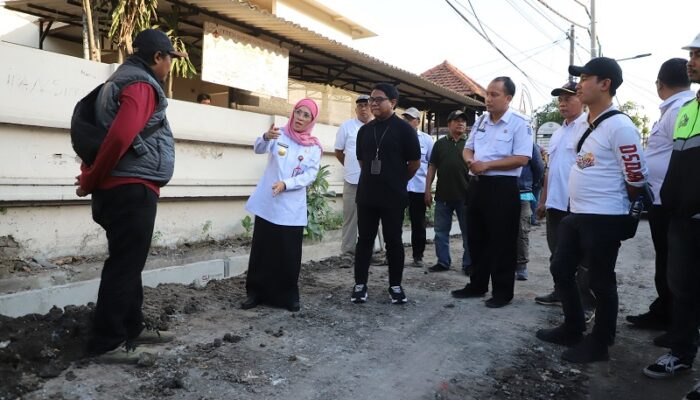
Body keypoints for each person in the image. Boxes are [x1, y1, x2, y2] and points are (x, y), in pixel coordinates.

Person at [75, 29, 183, 362]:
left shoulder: (121, 80)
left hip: (123, 188)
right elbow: (120, 138)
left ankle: (131, 327)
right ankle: (106, 342)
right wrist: (91, 178)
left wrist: (94, 178)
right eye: (169, 59)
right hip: (130, 188)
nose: (169, 66)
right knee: (124, 264)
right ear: (157, 58)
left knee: (129, 261)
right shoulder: (141, 84)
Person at [536, 57, 648, 363]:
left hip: (605, 216)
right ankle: (573, 327)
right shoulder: (584, 123)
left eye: (586, 78)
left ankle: (600, 343)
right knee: (561, 267)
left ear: (605, 84)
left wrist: (615, 202)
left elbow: (636, 176)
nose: (579, 84)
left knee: (600, 280)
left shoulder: (621, 126)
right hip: (577, 212)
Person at [643, 36, 700, 396]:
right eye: (692, 54)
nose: (691, 61)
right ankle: (681, 353)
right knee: (683, 289)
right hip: (682, 216)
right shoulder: (691, 108)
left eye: (697, 55)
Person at [625, 59, 694, 338]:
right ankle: (664, 311)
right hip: (664, 200)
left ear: (659, 83)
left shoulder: (680, 110)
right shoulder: (676, 109)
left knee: (676, 266)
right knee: (666, 262)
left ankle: (678, 324)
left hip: (673, 203)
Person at [451, 77, 532, 308]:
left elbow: (522, 158)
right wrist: (471, 162)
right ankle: (477, 285)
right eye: (488, 93)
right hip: (477, 185)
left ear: (508, 98)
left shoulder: (519, 124)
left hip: (503, 188)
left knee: (502, 241)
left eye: (495, 94)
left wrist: (486, 165)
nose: (489, 98)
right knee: (477, 238)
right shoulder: (481, 121)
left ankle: (502, 292)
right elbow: (468, 148)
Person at [241, 98, 322, 312]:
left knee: (288, 253)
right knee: (262, 250)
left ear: (312, 120)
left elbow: (310, 175)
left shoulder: (314, 147)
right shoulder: (279, 134)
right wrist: (266, 137)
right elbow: (258, 148)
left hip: (290, 207)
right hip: (269, 203)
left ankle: (288, 296)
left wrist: (287, 184)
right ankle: (255, 293)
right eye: (298, 112)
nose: (300, 118)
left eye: (307, 115)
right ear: (293, 113)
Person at [351, 83, 420, 305]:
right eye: (371, 99)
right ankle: (360, 284)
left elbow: (414, 163)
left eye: (378, 99)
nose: (373, 103)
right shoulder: (364, 130)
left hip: (393, 197)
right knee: (365, 241)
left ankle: (395, 285)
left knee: (393, 241)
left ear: (392, 102)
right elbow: (363, 162)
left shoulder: (405, 130)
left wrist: (397, 181)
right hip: (367, 196)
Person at [534, 82, 596, 323]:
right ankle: (560, 291)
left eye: (568, 98)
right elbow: (550, 169)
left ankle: (586, 302)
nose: (562, 103)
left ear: (581, 99)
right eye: (560, 99)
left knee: (582, 258)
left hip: (577, 204)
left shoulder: (588, 128)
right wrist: (543, 199)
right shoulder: (559, 132)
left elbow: (589, 164)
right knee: (557, 253)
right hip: (556, 203)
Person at [424, 110, 471, 274]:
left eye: (463, 121)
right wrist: (427, 190)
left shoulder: (471, 144)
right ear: (449, 124)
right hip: (443, 196)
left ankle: (468, 264)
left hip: (466, 196)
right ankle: (443, 262)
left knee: (468, 233)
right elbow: (432, 167)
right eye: (457, 121)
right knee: (441, 232)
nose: (461, 124)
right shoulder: (440, 144)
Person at [335, 95, 373, 256]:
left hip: (374, 182)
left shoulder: (377, 126)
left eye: (366, 105)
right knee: (350, 217)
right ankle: (348, 251)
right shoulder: (347, 127)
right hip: (352, 180)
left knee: (373, 218)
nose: (363, 108)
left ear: (371, 107)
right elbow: (338, 152)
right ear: (356, 109)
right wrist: (351, 167)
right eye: (360, 106)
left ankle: (374, 250)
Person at [403, 107, 433, 268]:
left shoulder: (427, 140)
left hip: (419, 187)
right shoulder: (397, 137)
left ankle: (418, 256)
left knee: (418, 223)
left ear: (418, 122)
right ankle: (392, 254)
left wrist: (429, 189)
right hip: (400, 186)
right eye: (405, 118)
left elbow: (431, 165)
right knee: (393, 222)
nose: (407, 122)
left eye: (410, 119)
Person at [515, 142, 544, 280]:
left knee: (522, 229)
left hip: (523, 193)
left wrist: (530, 185)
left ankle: (521, 266)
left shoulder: (529, 144)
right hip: (500, 192)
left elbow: (539, 168)